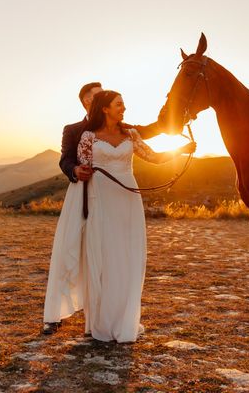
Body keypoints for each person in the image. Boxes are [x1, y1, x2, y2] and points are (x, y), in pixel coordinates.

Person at [43, 90, 195, 342]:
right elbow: (80, 166)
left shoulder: (131, 134)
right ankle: (99, 321)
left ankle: (123, 317)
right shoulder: (88, 137)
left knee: (125, 256)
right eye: (119, 104)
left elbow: (153, 156)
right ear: (105, 108)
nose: (124, 108)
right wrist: (77, 171)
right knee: (102, 256)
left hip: (127, 200)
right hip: (100, 200)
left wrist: (181, 150)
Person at [59, 82, 162, 184]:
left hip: (126, 187)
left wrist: (167, 123)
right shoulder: (72, 130)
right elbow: (65, 161)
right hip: (93, 189)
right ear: (87, 101)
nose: (104, 96)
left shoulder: (122, 127)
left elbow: (144, 132)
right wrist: (75, 170)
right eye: (99, 94)